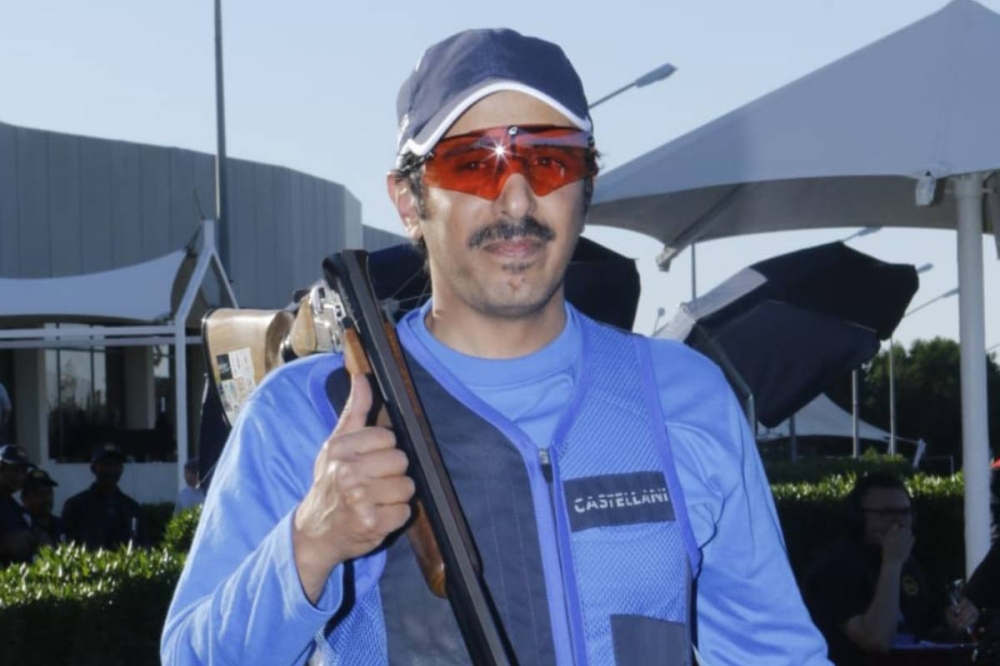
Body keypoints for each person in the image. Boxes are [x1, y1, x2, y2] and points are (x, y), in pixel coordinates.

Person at [162, 28, 830, 665]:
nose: (516, 200)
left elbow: (774, 653)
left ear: (586, 185)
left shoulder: (682, 395)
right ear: (409, 201)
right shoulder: (306, 415)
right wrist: (310, 543)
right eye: (473, 164)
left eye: (549, 160)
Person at [803, 472, 977, 664]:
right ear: (858, 518)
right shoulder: (834, 568)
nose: (899, 521)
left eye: (905, 512)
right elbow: (875, 640)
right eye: (885, 513)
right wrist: (891, 565)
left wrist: (953, 619)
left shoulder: (909, 563)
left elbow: (924, 625)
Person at [62, 442, 145, 550]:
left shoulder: (132, 508)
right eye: (106, 465)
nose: (111, 470)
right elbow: (68, 545)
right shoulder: (75, 506)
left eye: (115, 465)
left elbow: (142, 545)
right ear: (93, 468)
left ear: (121, 470)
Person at [0, 444, 35, 566]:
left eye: (24, 471)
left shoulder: (15, 507)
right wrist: (5, 544)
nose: (20, 476)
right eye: (15, 470)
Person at [21, 466, 64, 548]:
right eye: (38, 494)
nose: (45, 499)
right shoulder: (18, 525)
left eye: (48, 493)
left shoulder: (60, 525)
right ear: (24, 498)